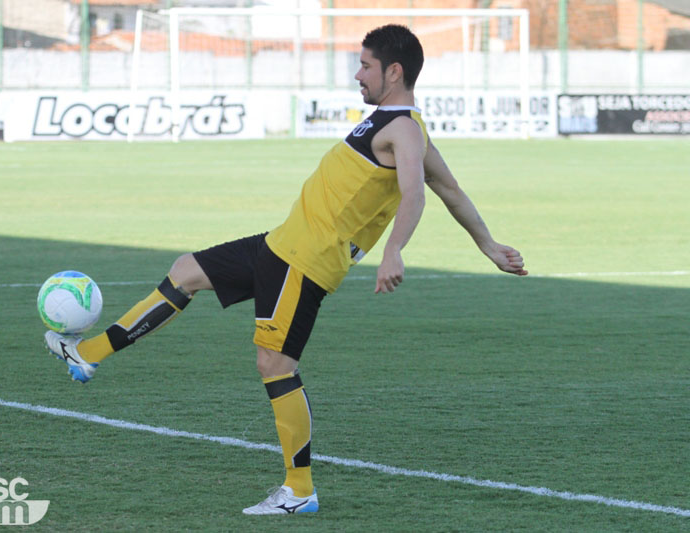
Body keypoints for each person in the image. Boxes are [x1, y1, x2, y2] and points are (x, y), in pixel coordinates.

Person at [45, 24, 527, 515]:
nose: (357, 75)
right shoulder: (393, 122)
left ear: (394, 71)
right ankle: (87, 354)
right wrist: (488, 244)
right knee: (186, 270)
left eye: (365, 65)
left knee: (275, 365)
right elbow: (451, 190)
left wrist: (395, 249)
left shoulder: (403, 129)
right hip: (281, 243)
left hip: (304, 260)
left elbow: (419, 192)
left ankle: (298, 490)